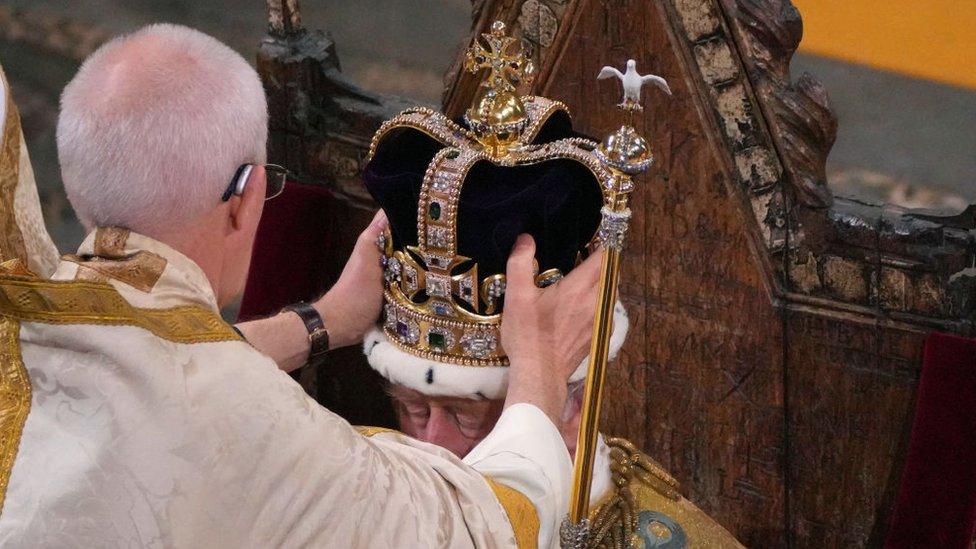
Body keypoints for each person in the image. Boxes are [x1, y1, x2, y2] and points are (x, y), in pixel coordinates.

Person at [0, 24, 603, 548]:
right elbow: (484, 533)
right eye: (415, 409)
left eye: (467, 418)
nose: (436, 442)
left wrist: (321, 321)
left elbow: (152, 369)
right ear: (248, 197)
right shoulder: (254, 429)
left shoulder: (39, 324)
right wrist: (539, 373)